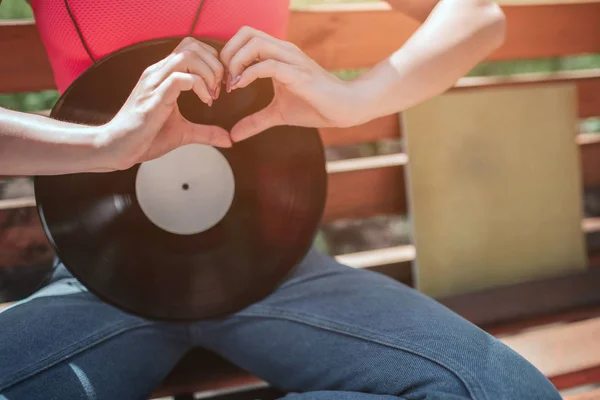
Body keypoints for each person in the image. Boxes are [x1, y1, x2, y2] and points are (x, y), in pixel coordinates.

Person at [0, 0, 562, 399]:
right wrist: (103, 142)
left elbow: (476, 14)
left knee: (506, 390)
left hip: (275, 266)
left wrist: (355, 100)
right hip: (98, 272)